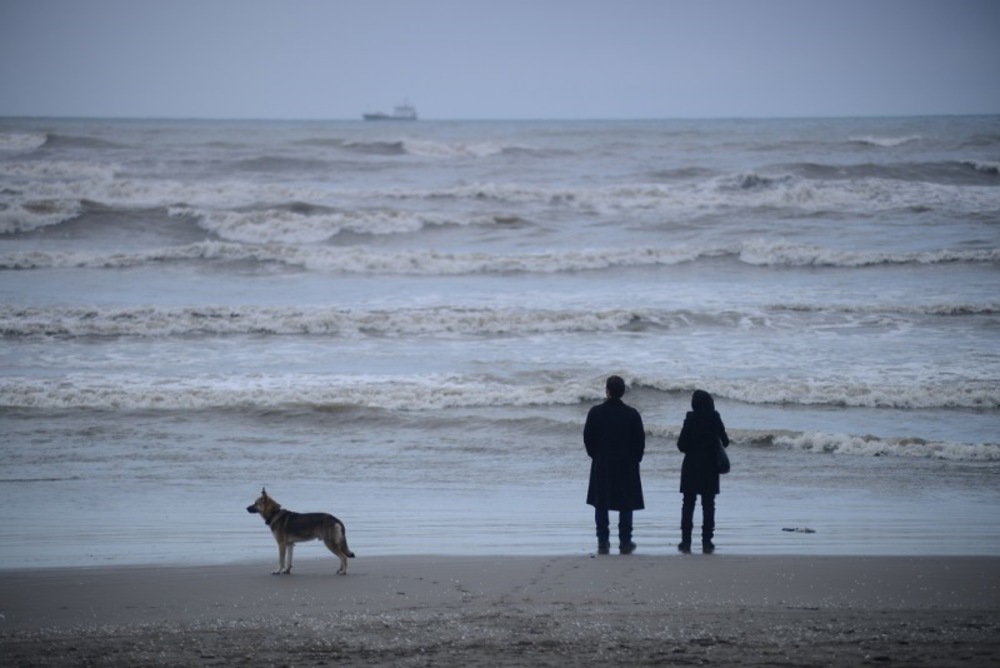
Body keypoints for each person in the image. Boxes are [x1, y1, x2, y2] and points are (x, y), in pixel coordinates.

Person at [584, 375, 645, 555]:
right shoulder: (632, 414)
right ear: (623, 392)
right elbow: (640, 441)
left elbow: (588, 439)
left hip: (602, 462)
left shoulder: (595, 412)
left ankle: (603, 541)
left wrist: (595, 455)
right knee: (626, 503)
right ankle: (625, 541)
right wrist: (636, 459)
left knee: (601, 501)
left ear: (607, 391)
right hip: (627, 463)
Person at [676, 389, 729, 554]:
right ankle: (707, 541)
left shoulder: (690, 419)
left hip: (691, 465)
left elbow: (681, 445)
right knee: (708, 504)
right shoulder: (715, 417)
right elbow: (725, 442)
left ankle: (686, 542)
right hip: (710, 466)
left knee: (688, 504)